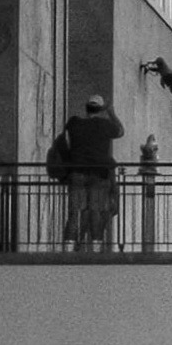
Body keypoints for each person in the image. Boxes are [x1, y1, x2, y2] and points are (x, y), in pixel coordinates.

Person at [62, 94, 124, 252]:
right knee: (96, 211)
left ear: (86, 107)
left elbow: (67, 143)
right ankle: (96, 248)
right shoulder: (105, 125)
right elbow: (121, 131)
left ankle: (68, 248)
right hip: (99, 173)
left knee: (75, 211)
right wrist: (111, 112)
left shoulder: (74, 123)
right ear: (101, 109)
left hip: (77, 172)